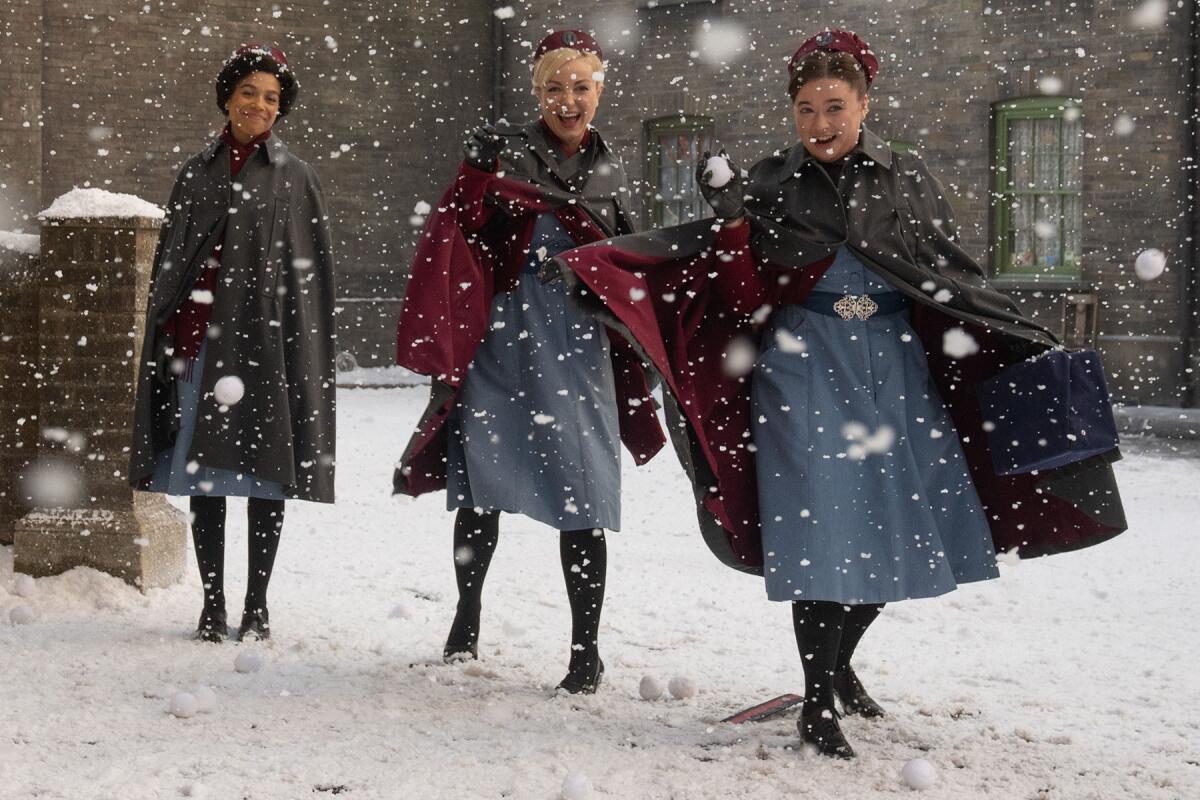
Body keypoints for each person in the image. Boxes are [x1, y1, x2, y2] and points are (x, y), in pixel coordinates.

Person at [549, 29, 1126, 755]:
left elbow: (949, 277)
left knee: (898, 530)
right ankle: (817, 705)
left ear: (864, 103)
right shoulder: (770, 181)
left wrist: (1011, 336)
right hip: (801, 370)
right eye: (805, 109)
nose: (819, 124)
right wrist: (731, 221)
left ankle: (838, 667)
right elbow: (742, 293)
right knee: (821, 537)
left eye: (834, 106)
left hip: (893, 372)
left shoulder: (907, 180)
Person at [393, 30, 665, 694]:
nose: (567, 101)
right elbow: (457, 234)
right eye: (553, 88)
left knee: (585, 498)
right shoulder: (506, 156)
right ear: (536, 92)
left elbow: (627, 257)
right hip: (504, 347)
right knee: (480, 491)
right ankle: (465, 618)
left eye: (580, 87)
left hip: (579, 353)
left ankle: (585, 649)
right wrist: (475, 175)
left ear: (599, 90)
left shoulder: (608, 170)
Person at [129, 44, 337, 643]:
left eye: (272, 98)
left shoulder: (297, 179)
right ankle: (212, 603)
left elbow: (310, 278)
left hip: (265, 353)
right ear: (227, 97)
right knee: (207, 481)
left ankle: (259, 604)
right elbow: (173, 261)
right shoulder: (197, 171)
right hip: (199, 348)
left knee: (263, 476)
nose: (260, 105)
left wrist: (300, 348)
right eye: (250, 92)